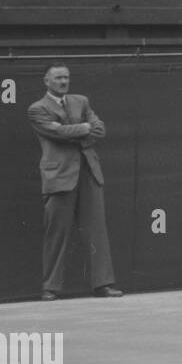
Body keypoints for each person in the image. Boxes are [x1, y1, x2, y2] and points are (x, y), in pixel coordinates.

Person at [27, 63, 123, 300]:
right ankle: (50, 288)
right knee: (56, 233)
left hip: (89, 173)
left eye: (66, 78)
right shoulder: (37, 109)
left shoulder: (82, 101)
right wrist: (83, 128)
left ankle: (103, 285)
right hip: (59, 176)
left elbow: (99, 130)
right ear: (46, 81)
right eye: (58, 78)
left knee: (96, 232)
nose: (63, 82)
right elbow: (56, 133)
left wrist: (72, 129)